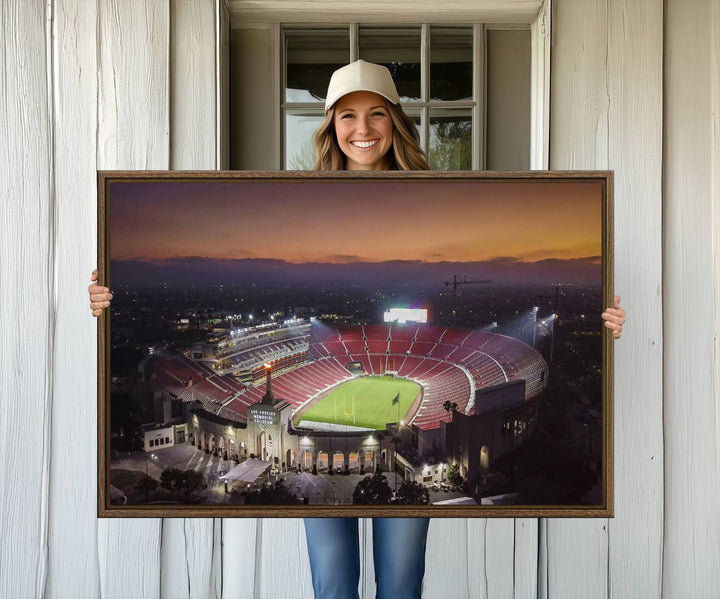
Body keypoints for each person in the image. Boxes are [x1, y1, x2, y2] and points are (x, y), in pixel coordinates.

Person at [88, 60, 626, 599]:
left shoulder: (437, 196)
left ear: (395, 121)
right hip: (348, 369)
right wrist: (106, 298)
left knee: (400, 580)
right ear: (330, 125)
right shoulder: (302, 201)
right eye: (347, 115)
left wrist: (605, 318)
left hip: (398, 427)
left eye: (376, 115)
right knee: (332, 579)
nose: (362, 129)